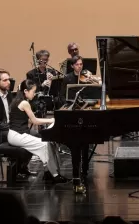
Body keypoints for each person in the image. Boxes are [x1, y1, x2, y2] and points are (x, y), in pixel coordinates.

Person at [7, 79, 68, 183]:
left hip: (14, 134)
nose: (34, 94)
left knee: (46, 144)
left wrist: (50, 121)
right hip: (17, 135)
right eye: (33, 91)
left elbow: (31, 120)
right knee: (45, 145)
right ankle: (54, 175)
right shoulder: (24, 103)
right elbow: (34, 121)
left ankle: (49, 173)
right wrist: (52, 120)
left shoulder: (16, 100)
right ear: (26, 91)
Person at [0, 69, 33, 173]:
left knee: (35, 134)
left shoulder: (9, 94)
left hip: (10, 128)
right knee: (26, 136)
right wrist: (14, 127)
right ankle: (18, 169)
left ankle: (22, 166)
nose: (9, 82)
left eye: (9, 80)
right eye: (5, 80)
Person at [60, 55, 92, 193]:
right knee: (78, 141)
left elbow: (91, 92)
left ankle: (85, 168)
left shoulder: (86, 76)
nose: (80, 66)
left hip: (85, 110)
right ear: (72, 66)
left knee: (87, 141)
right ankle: (78, 172)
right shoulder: (68, 78)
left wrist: (91, 81)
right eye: (77, 64)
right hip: (73, 111)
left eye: (81, 64)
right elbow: (62, 95)